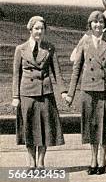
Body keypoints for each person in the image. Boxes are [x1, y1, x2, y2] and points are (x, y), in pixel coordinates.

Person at [65, 11, 106, 175]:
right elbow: (76, 69)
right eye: (95, 22)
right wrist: (70, 93)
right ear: (90, 25)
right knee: (91, 126)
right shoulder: (84, 42)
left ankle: (102, 160)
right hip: (88, 90)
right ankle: (92, 159)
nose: (98, 25)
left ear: (104, 25)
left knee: (104, 127)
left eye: (101, 22)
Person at [12, 16, 68, 169]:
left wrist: (63, 91)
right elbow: (16, 75)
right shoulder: (20, 49)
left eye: (42, 29)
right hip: (27, 95)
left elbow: (57, 72)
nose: (39, 31)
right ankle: (31, 163)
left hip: (45, 94)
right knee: (29, 130)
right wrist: (15, 96)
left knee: (45, 129)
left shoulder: (50, 48)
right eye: (36, 28)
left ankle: (41, 163)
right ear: (30, 30)